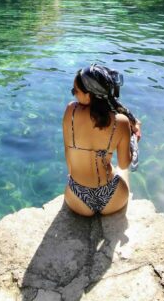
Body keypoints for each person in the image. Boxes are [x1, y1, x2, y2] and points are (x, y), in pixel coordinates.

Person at [63, 64, 141, 216]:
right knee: (118, 170)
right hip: (113, 199)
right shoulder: (121, 121)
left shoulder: (70, 111)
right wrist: (134, 139)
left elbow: (68, 153)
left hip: (77, 199)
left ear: (89, 95)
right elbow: (125, 164)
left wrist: (73, 175)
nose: (74, 95)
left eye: (75, 91)